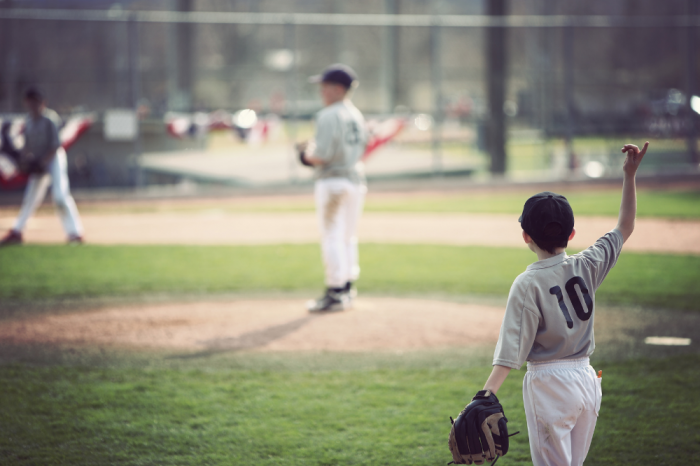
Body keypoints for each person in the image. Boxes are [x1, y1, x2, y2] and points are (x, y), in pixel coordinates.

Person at [478, 141, 649, 465]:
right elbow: (624, 226)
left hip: (549, 385)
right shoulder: (587, 264)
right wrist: (629, 174)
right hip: (586, 381)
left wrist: (485, 396)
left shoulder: (527, 283)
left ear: (525, 236)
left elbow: (510, 352)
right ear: (571, 235)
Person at [297, 64, 368, 312]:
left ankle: (335, 291)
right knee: (348, 236)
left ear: (338, 88)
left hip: (333, 182)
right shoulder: (356, 114)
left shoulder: (329, 114)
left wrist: (305, 155)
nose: (321, 91)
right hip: (356, 181)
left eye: (325, 86)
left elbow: (323, 155)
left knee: (332, 236)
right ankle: (347, 287)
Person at [0, 87, 84, 246]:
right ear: (26, 103)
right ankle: (17, 231)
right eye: (31, 101)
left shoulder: (50, 119)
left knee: (60, 195)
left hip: (54, 159)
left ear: (43, 103)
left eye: (37, 101)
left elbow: (55, 146)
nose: (34, 105)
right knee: (31, 197)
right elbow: (26, 148)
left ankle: (75, 233)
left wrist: (42, 162)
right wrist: (27, 161)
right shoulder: (29, 122)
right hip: (39, 161)